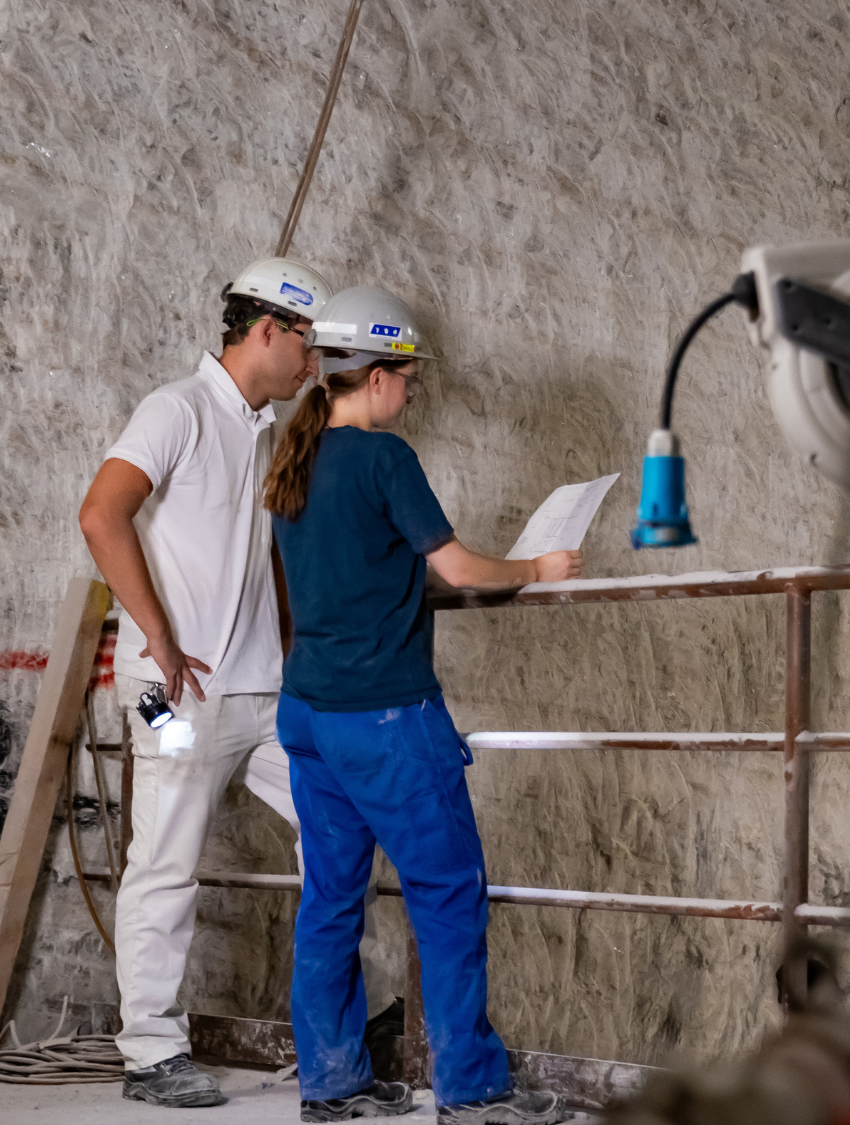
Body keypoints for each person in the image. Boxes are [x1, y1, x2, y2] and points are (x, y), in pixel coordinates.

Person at [264, 286, 582, 1124]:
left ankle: (330, 1083)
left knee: (330, 900)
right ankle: (472, 1090)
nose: (411, 395)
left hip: (309, 713)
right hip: (387, 720)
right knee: (446, 890)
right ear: (374, 376)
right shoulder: (383, 458)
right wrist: (539, 570)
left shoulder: (295, 460)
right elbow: (462, 571)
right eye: (408, 378)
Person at [79, 257, 331, 1109]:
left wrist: (295, 656)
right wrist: (158, 637)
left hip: (265, 700)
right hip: (171, 695)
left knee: (339, 822)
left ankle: (328, 1034)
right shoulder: (175, 409)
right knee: (167, 861)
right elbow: (100, 512)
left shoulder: (266, 431)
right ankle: (152, 1052)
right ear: (266, 331)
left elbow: (266, 565)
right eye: (307, 345)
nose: (314, 366)